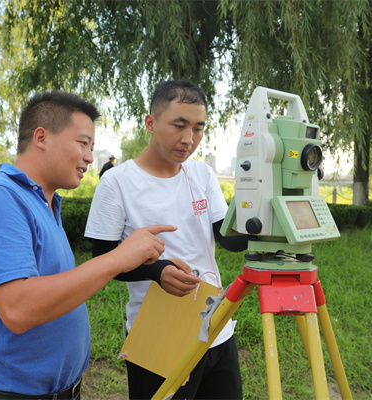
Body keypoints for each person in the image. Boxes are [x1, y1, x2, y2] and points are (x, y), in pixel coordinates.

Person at [0, 90, 177, 400]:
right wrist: (118, 258)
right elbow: (18, 309)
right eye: (82, 143)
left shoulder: (45, 202)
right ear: (41, 137)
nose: (89, 157)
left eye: (92, 147)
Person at [85, 80, 249, 399]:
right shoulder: (117, 182)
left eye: (198, 128)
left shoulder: (202, 174)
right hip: (158, 333)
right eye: (179, 125)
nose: (189, 139)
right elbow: (102, 261)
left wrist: (262, 224)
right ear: (151, 122)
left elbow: (228, 239)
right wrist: (156, 271)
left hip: (215, 327)